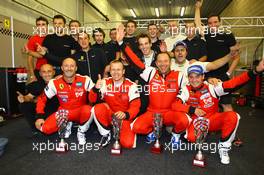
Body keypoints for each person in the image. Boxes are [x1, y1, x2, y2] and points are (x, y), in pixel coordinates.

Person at [172, 59, 264, 164]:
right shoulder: (186, 89)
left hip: (212, 120)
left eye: (197, 76)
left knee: (233, 116)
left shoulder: (212, 87)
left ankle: (224, 147)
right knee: (192, 138)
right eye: (191, 77)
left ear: (203, 77)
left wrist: (256, 70)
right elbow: (175, 105)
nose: (194, 80)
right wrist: (192, 109)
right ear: (188, 78)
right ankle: (187, 133)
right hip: (196, 122)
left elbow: (234, 83)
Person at [116, 24, 190, 148]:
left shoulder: (179, 75)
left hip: (169, 112)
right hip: (152, 112)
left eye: (166, 61)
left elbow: (188, 88)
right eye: (160, 62)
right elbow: (135, 61)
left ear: (170, 62)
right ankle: (152, 131)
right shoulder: (150, 72)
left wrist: (180, 99)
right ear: (156, 63)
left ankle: (176, 135)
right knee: (136, 127)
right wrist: (121, 43)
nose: (163, 64)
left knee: (185, 120)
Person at [78, 60, 141, 148]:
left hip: (124, 118)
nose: (116, 72)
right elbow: (91, 100)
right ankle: (106, 133)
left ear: (123, 71)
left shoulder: (131, 85)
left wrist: (126, 114)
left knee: (127, 144)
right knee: (97, 108)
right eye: (113, 70)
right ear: (110, 71)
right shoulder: (104, 82)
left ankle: (123, 130)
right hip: (110, 116)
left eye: (118, 70)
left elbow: (136, 106)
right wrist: (95, 89)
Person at [194, 0, 240, 112]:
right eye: (210, 23)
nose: (213, 25)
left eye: (215, 22)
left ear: (220, 22)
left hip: (223, 75)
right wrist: (198, 8)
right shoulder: (207, 35)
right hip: (208, 75)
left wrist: (228, 73)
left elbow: (236, 56)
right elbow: (198, 23)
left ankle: (229, 128)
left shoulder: (228, 35)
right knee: (209, 105)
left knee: (226, 105)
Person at [35, 58, 95, 135]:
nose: (69, 68)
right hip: (64, 112)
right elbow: (42, 99)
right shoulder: (54, 82)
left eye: (72, 66)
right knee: (44, 128)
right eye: (66, 66)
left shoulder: (85, 79)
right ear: (62, 68)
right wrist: (39, 116)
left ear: (76, 68)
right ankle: (67, 122)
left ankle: (81, 131)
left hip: (80, 111)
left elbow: (95, 96)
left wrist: (96, 90)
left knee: (88, 110)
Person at [17, 64, 59, 135]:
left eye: (49, 71)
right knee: (24, 105)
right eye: (44, 72)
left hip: (56, 110)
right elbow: (29, 97)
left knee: (49, 131)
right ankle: (35, 128)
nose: (47, 74)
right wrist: (24, 98)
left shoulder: (59, 82)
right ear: (40, 74)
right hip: (42, 109)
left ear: (53, 72)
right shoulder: (37, 84)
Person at [25, 16, 49, 82]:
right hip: (39, 70)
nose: (41, 26)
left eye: (43, 24)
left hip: (52, 70)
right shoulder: (33, 39)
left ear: (47, 26)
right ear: (36, 27)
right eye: (38, 24)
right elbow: (30, 59)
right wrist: (32, 75)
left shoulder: (52, 38)